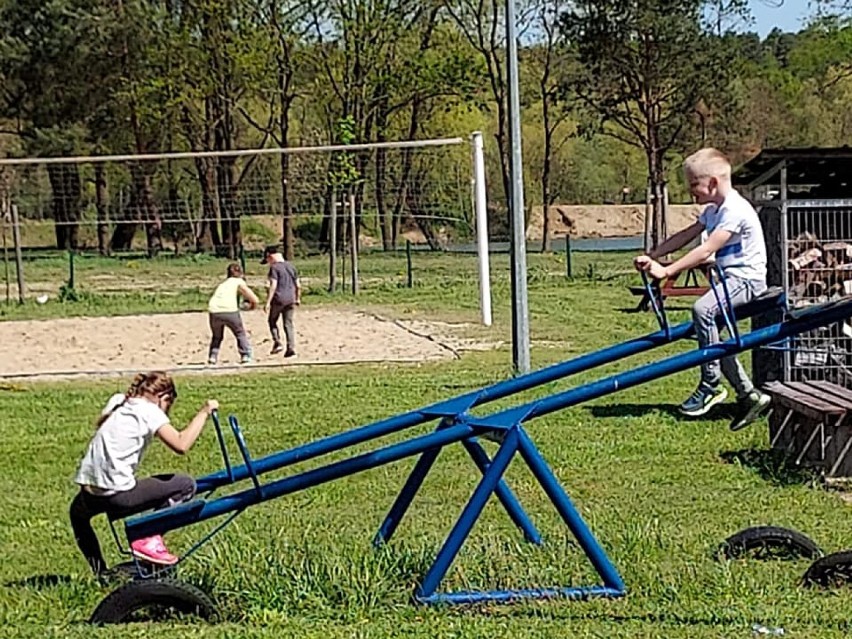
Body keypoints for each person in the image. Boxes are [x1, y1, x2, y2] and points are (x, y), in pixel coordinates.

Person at [633, 147, 772, 431]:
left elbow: (707, 248)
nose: (690, 191)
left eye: (693, 184)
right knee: (715, 338)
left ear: (712, 183)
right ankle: (749, 395)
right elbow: (686, 236)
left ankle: (711, 383)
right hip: (730, 279)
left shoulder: (735, 210)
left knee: (702, 309)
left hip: (747, 280)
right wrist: (654, 254)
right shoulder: (713, 211)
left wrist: (668, 270)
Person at [69, 372, 219, 574]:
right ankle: (148, 536)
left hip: (89, 493)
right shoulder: (150, 411)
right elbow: (182, 444)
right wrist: (204, 412)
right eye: (168, 405)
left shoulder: (119, 401)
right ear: (163, 397)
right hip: (118, 496)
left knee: (77, 515)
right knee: (185, 485)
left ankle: (100, 572)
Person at [207, 262, 260, 365]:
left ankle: (213, 356)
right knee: (239, 333)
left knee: (217, 336)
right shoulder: (238, 282)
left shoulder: (223, 284)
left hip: (214, 310)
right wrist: (252, 307)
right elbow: (254, 299)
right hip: (229, 310)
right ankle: (245, 355)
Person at [261, 244, 301, 357]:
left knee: (272, 321)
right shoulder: (291, 266)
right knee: (288, 323)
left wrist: (268, 302)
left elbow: (273, 285)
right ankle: (291, 347)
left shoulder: (274, 268)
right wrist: (297, 298)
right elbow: (298, 285)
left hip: (279, 299)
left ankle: (277, 342)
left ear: (270, 256)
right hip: (291, 299)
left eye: (268, 259)